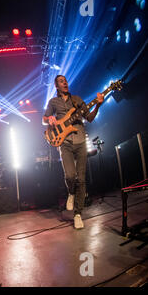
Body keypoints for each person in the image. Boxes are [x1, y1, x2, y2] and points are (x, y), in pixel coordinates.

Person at [43, 75, 104, 229]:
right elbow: (44, 118)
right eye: (62, 81)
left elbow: (89, 118)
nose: (65, 83)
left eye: (66, 81)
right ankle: (71, 192)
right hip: (64, 142)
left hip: (80, 141)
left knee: (81, 179)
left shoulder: (77, 100)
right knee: (70, 175)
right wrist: (49, 118)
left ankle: (78, 214)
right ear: (57, 86)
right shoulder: (53, 102)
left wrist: (98, 105)